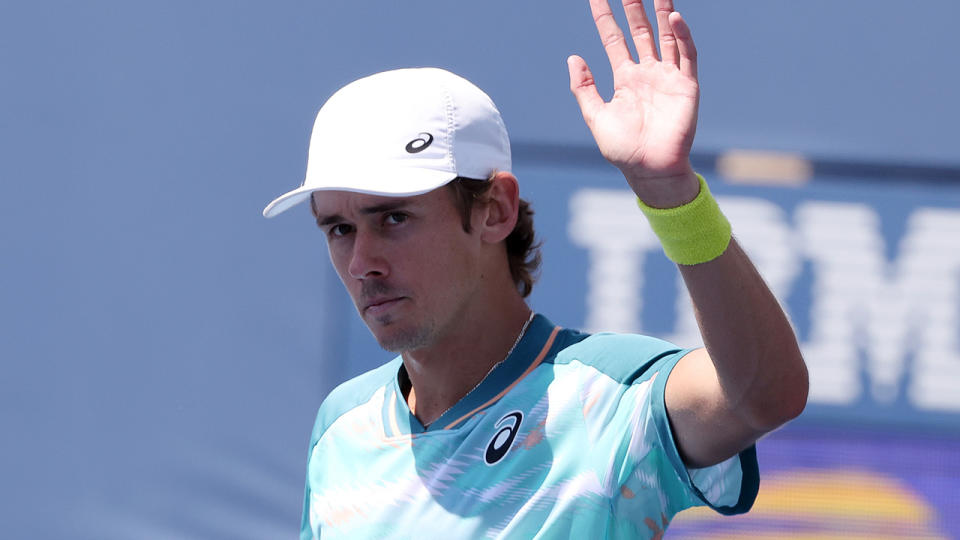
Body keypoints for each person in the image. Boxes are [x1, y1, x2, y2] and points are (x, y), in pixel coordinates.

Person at [263, 0, 808, 537]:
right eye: (339, 229)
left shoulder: (609, 393)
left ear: (494, 210)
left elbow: (764, 395)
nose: (361, 264)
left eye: (395, 218)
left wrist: (671, 196)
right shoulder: (341, 429)